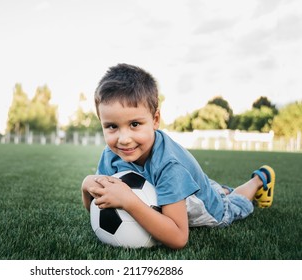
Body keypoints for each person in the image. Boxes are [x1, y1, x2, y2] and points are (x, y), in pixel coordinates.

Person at [81, 63, 276, 250]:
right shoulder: (111, 155)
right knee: (206, 189)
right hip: (186, 185)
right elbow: (101, 206)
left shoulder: (169, 166)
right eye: (112, 126)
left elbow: (178, 238)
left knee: (233, 205)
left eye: (134, 124)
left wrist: (129, 201)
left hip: (208, 207)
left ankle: (259, 179)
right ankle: (218, 189)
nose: (124, 139)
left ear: (155, 120)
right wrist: (86, 187)